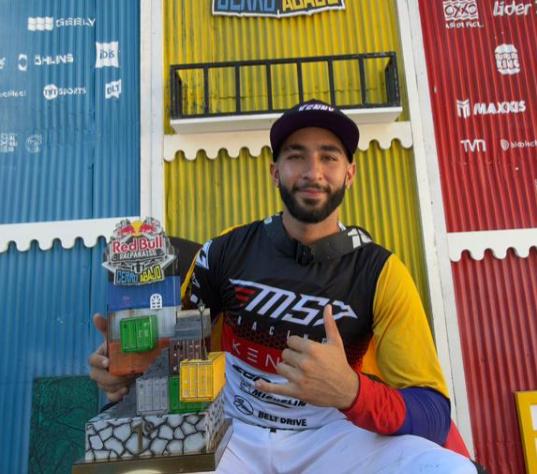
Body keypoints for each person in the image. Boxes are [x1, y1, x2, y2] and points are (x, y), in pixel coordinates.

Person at [90, 99, 477, 473]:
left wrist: (352, 391)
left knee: (450, 469)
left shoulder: (382, 272)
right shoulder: (225, 250)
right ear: (275, 172)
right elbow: (178, 356)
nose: (313, 172)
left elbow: (433, 412)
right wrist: (129, 371)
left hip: (333, 436)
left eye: (329, 157)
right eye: (296, 156)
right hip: (231, 428)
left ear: (350, 173)